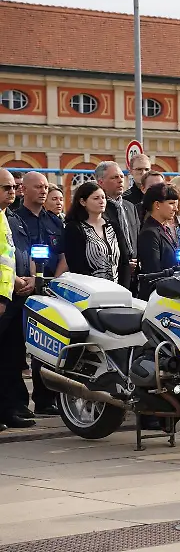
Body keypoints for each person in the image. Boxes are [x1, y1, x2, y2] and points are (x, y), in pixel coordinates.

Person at [17, 171, 67, 416]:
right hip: (22, 289)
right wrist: (30, 280)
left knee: (48, 346)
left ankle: (46, 400)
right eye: (38, 187)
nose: (43, 191)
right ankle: (17, 404)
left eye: (46, 187)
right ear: (24, 190)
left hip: (50, 291)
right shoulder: (15, 219)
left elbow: (64, 255)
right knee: (17, 349)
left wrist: (54, 282)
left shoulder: (55, 222)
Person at [0, 168, 34, 430]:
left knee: (11, 356)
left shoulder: (7, 217)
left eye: (14, 187)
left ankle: (8, 410)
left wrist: (22, 280)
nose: (12, 192)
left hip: (11, 295)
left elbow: (10, 256)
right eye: (6, 187)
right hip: (2, 296)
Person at [63, 181, 127, 283]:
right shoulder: (74, 228)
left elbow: (124, 262)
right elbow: (76, 265)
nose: (102, 201)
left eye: (103, 197)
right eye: (96, 198)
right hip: (88, 287)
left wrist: (123, 287)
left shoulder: (113, 226)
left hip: (116, 288)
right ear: (83, 202)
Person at [95, 161, 140, 290]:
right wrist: (123, 263)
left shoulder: (130, 206)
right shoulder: (98, 209)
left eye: (121, 176)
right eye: (114, 177)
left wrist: (138, 261)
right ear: (101, 182)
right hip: (111, 275)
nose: (120, 180)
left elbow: (137, 236)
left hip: (135, 275)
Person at [136, 183, 180, 300]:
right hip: (158, 296)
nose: (176, 208)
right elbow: (153, 272)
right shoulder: (150, 233)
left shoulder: (164, 229)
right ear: (157, 205)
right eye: (171, 203)